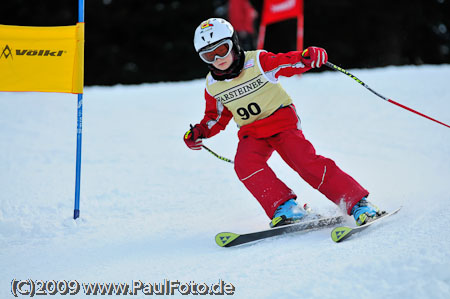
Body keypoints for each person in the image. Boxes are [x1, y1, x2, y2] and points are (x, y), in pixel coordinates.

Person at [184, 18, 383, 228]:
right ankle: (286, 207)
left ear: (234, 43)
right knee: (245, 164)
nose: (218, 58)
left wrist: (306, 57)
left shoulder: (258, 62)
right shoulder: (213, 85)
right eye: (209, 55)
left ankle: (358, 203)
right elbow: (216, 117)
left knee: (304, 162)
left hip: (281, 122)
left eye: (222, 49)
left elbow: (286, 62)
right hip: (251, 131)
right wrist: (199, 132)